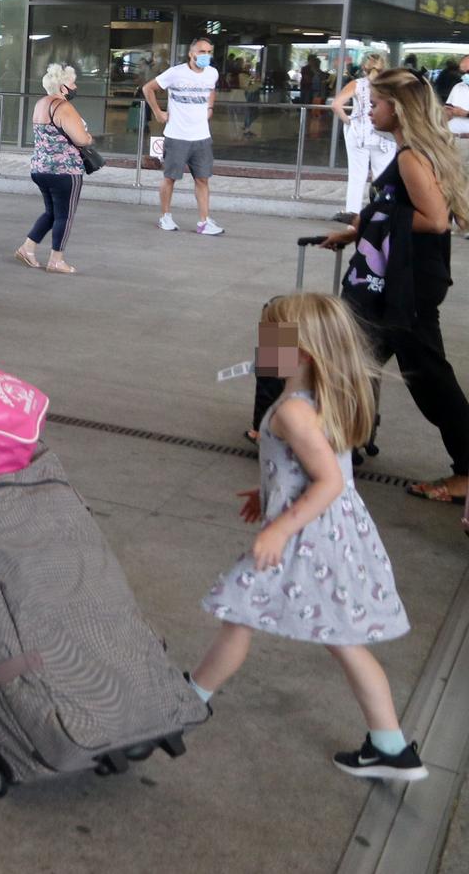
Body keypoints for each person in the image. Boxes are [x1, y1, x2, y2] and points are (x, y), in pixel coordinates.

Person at [187, 293, 422, 782]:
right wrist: (266, 491)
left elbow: (329, 481)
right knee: (343, 639)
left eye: (272, 336)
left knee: (238, 613)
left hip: (305, 537)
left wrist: (278, 526)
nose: (260, 342)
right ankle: (390, 746)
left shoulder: (294, 411)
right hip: (328, 534)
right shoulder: (308, 401)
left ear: (305, 351)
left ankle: (186, 703)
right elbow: (311, 470)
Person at [321, 69, 469, 505]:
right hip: (400, 281)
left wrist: (371, 224)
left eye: (378, 103)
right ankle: (333, 444)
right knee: (354, 358)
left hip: (407, 286)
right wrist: (358, 230)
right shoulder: (411, 150)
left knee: (430, 381)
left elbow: (436, 219)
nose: (370, 108)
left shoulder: (409, 156)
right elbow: (399, 210)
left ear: (399, 110)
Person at [16, 63, 92, 274]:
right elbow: (81, 139)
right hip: (64, 170)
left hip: (40, 167)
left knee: (52, 212)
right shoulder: (64, 107)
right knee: (64, 216)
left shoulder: (41, 104)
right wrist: (88, 137)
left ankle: (27, 248)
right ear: (62, 87)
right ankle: (56, 260)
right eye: (72, 82)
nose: (75, 86)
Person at [143, 37, 224, 235]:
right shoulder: (176, 73)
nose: (205, 56)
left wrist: (210, 107)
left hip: (201, 137)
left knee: (203, 179)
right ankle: (165, 217)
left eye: (209, 52)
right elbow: (148, 88)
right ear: (191, 54)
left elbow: (211, 90)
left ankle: (204, 222)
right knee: (170, 178)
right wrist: (157, 112)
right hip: (177, 136)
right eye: (201, 51)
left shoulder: (212, 73)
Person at [331, 54, 396, 224]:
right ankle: (383, 214)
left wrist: (349, 121)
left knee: (357, 176)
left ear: (364, 68)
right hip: (384, 136)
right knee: (384, 177)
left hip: (359, 134)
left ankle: (352, 214)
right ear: (384, 68)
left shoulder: (357, 84)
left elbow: (336, 105)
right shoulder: (391, 87)